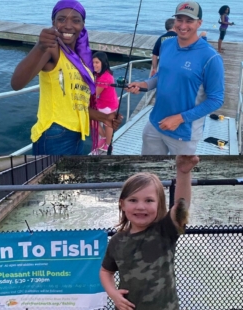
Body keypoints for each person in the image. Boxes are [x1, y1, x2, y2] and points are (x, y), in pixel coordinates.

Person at [11, 0, 122, 155]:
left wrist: (104, 118)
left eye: (75, 20)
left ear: (83, 24)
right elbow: (16, 83)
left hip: (78, 135)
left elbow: (77, 104)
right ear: (53, 22)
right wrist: (40, 46)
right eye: (61, 19)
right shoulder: (52, 49)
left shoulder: (81, 60)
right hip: (54, 135)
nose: (68, 25)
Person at [100, 155, 199, 310]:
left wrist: (183, 173)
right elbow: (106, 271)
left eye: (149, 200)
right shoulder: (117, 241)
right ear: (122, 205)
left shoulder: (165, 231)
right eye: (133, 200)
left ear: (159, 205)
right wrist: (113, 294)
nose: (141, 207)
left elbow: (181, 206)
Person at [127, 1, 224, 155]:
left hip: (184, 133)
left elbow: (216, 99)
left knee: (181, 175)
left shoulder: (211, 58)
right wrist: (144, 84)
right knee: (148, 173)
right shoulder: (167, 45)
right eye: (179, 19)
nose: (183, 25)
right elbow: (161, 75)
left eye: (189, 20)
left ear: (199, 23)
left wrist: (180, 118)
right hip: (155, 123)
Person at [92, 52, 119, 152]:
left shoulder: (105, 77)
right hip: (101, 103)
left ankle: (108, 145)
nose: (94, 65)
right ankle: (103, 138)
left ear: (103, 63)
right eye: (93, 62)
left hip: (108, 105)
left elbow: (94, 93)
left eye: (97, 62)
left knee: (108, 124)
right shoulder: (99, 73)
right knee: (93, 120)